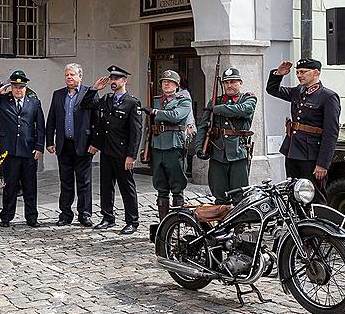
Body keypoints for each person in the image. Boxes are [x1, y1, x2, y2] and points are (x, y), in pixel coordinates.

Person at [82, 65, 143, 234]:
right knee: (106, 186)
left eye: (116, 79)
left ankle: (132, 221)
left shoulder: (132, 102)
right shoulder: (107, 99)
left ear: (124, 81)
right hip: (107, 150)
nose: (113, 82)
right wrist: (94, 89)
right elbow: (86, 105)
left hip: (123, 153)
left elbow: (136, 132)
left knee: (126, 187)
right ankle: (107, 217)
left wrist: (131, 155)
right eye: (111, 79)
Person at [266, 58, 340, 197]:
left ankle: (317, 219)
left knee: (313, 195)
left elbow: (331, 133)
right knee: (293, 193)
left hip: (311, 154)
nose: (300, 75)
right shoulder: (298, 91)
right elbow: (272, 90)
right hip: (292, 150)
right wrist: (279, 74)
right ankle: (297, 219)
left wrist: (323, 163)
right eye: (298, 72)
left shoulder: (328, 97)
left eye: (304, 72)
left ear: (316, 72)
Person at [0, 70, 45, 227]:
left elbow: (41, 127)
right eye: (15, 87)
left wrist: (39, 147)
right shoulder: (3, 101)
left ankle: (31, 217)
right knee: (10, 186)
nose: (18, 90)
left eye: (21, 87)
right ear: (11, 87)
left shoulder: (34, 103)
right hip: (9, 150)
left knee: (30, 186)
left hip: (29, 150)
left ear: (25, 87)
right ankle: (6, 216)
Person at [195, 67, 257, 204]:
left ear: (240, 83)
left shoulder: (248, 98)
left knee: (239, 193)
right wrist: (199, 147)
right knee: (219, 192)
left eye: (233, 82)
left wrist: (217, 109)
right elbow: (204, 126)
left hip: (238, 151)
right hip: (218, 151)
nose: (229, 85)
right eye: (226, 83)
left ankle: (240, 224)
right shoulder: (215, 100)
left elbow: (244, 110)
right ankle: (222, 222)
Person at [46, 63, 94, 228]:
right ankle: (65, 214)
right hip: (64, 145)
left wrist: (95, 143)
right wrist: (50, 142)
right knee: (65, 181)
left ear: (80, 76)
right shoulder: (58, 95)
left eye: (72, 75)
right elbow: (51, 118)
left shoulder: (89, 93)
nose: (69, 77)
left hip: (83, 145)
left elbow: (96, 120)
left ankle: (85, 214)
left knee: (84, 182)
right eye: (67, 75)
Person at [142, 70, 192, 221]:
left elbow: (176, 116)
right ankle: (164, 222)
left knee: (177, 187)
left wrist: (156, 112)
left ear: (177, 85)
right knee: (161, 187)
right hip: (157, 146)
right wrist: (145, 146)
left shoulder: (183, 99)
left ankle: (177, 221)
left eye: (170, 82)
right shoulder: (156, 100)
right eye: (164, 82)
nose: (166, 84)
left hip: (174, 146)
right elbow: (147, 126)